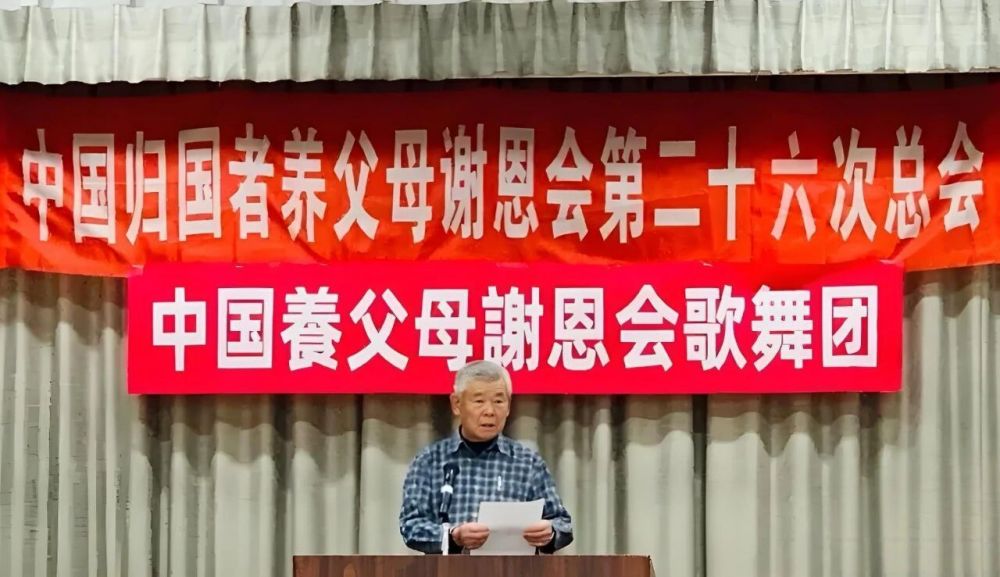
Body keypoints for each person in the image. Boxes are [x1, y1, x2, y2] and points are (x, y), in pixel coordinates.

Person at [399, 359, 574, 554]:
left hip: (513, 568)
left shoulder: (528, 463)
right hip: (447, 568)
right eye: (479, 401)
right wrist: (453, 536)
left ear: (508, 406)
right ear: (456, 404)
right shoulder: (430, 461)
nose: (490, 411)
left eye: (498, 401)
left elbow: (562, 524)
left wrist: (550, 533)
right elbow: (411, 526)